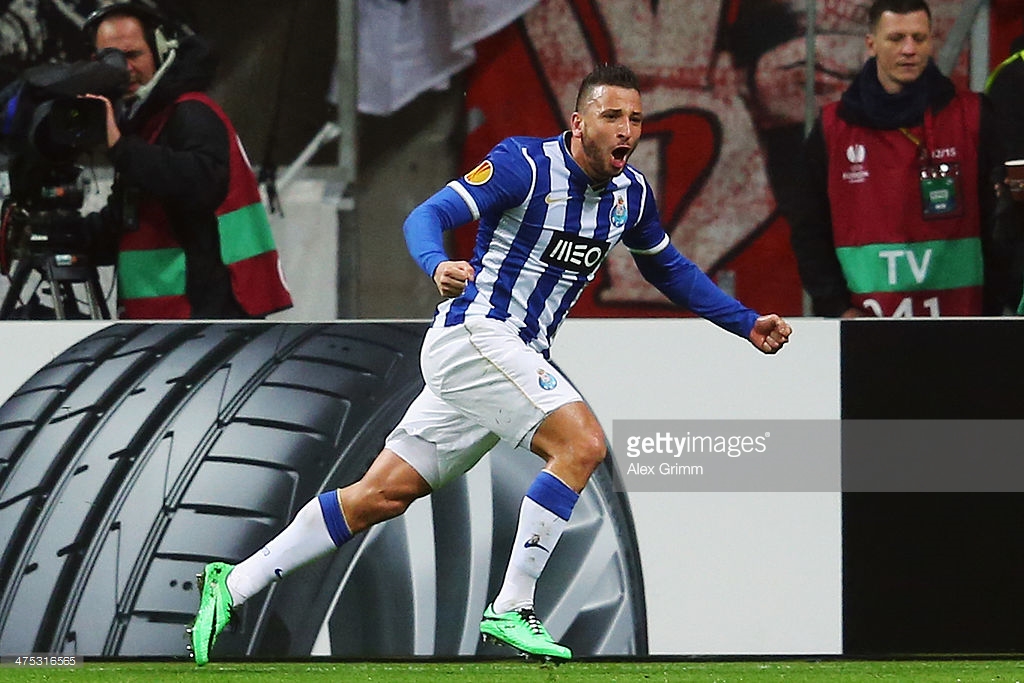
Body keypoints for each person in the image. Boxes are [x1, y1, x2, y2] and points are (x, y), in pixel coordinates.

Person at [188, 63, 792, 665]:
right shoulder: (523, 165)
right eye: (612, 116)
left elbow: (669, 269)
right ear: (578, 123)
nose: (626, 130)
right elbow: (425, 217)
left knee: (381, 494)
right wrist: (436, 263)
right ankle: (512, 605)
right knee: (581, 444)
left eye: (635, 119)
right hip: (476, 335)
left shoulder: (630, 196)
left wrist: (744, 321)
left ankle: (234, 583)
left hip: (509, 357)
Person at [787, 0, 1012, 317]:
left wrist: (994, 304)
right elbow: (808, 228)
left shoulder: (974, 117)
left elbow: (1003, 220)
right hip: (868, 325)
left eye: (919, 38)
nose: (909, 49)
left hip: (964, 323)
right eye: (896, 38)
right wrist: (836, 307)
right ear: (871, 44)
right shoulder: (832, 129)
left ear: (930, 41)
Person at [81, 1, 292, 319]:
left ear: (160, 51)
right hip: (169, 317)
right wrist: (57, 234)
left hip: (208, 316)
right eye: (110, 60)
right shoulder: (144, 121)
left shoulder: (191, 112)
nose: (124, 69)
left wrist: (122, 149)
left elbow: (201, 185)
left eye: (133, 55)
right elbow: (127, 221)